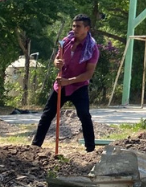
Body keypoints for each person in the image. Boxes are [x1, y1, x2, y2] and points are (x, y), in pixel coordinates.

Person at [31, 14, 100, 152]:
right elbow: (57, 60)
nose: (74, 29)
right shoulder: (66, 41)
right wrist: (57, 63)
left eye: (78, 26)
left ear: (87, 28)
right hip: (60, 85)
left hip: (78, 86)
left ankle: (91, 149)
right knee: (47, 115)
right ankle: (35, 146)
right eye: (73, 26)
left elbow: (88, 74)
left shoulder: (92, 48)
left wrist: (69, 81)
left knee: (84, 115)